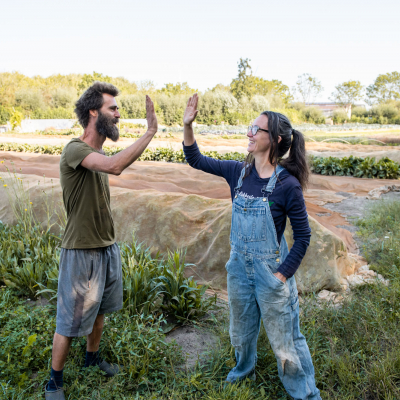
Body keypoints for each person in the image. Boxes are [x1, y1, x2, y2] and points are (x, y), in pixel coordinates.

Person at [182, 94, 321, 399]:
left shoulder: (287, 185)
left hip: (271, 272)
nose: (249, 133)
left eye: (256, 129)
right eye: (250, 127)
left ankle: (305, 394)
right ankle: (243, 371)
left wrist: (281, 276)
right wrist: (188, 126)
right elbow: (196, 159)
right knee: (242, 332)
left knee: (286, 339)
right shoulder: (238, 172)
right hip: (239, 269)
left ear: (275, 139)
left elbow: (303, 237)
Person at [45, 82, 158, 399]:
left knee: (100, 312)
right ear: (93, 111)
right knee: (69, 320)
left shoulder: (98, 152)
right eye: (113, 108)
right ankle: (54, 381)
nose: (118, 114)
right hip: (80, 250)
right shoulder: (75, 150)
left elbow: (110, 162)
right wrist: (149, 132)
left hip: (106, 247)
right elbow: (116, 166)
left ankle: (91, 359)